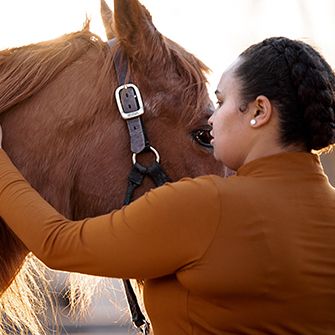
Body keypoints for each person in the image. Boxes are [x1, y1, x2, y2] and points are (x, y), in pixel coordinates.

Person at [0, 36, 335, 334]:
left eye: (220, 103)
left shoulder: (206, 204)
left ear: (259, 111)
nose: (213, 120)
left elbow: (57, 244)